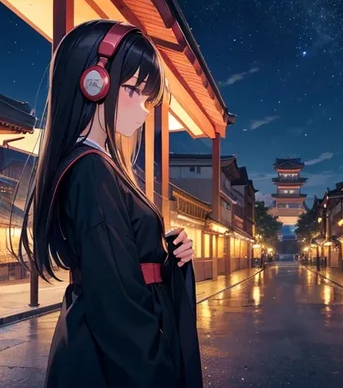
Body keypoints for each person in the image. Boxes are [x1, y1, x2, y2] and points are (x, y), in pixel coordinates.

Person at [14, 20, 203, 388]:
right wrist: (158, 368)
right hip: (111, 358)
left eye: (147, 96)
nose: (145, 109)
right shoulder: (91, 171)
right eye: (134, 90)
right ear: (94, 83)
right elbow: (118, 301)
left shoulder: (98, 165)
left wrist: (168, 251)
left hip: (94, 344)